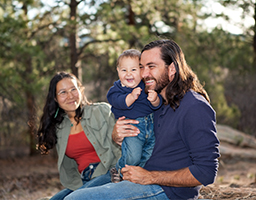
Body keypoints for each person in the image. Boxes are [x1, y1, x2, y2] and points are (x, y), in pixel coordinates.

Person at [64, 39, 220, 200]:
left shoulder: (194, 107)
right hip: (134, 177)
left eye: (151, 67)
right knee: (63, 197)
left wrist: (150, 177)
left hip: (165, 190)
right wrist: (117, 136)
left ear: (172, 68)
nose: (144, 74)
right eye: (141, 67)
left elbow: (207, 172)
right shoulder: (151, 101)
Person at [36, 72, 121, 200]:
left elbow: (120, 146)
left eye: (73, 89)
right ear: (55, 98)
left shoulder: (102, 111)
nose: (70, 96)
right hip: (84, 181)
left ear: (80, 90)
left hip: (108, 174)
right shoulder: (59, 128)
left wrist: (122, 174)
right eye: (63, 92)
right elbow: (70, 167)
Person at [107, 49, 162, 182]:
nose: (128, 74)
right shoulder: (117, 89)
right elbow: (118, 102)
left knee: (149, 155)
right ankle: (119, 170)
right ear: (118, 71)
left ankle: (133, 177)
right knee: (133, 157)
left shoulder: (146, 86)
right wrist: (131, 97)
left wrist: (155, 100)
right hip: (133, 128)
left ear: (142, 72)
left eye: (133, 70)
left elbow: (157, 106)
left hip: (151, 126)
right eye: (124, 70)